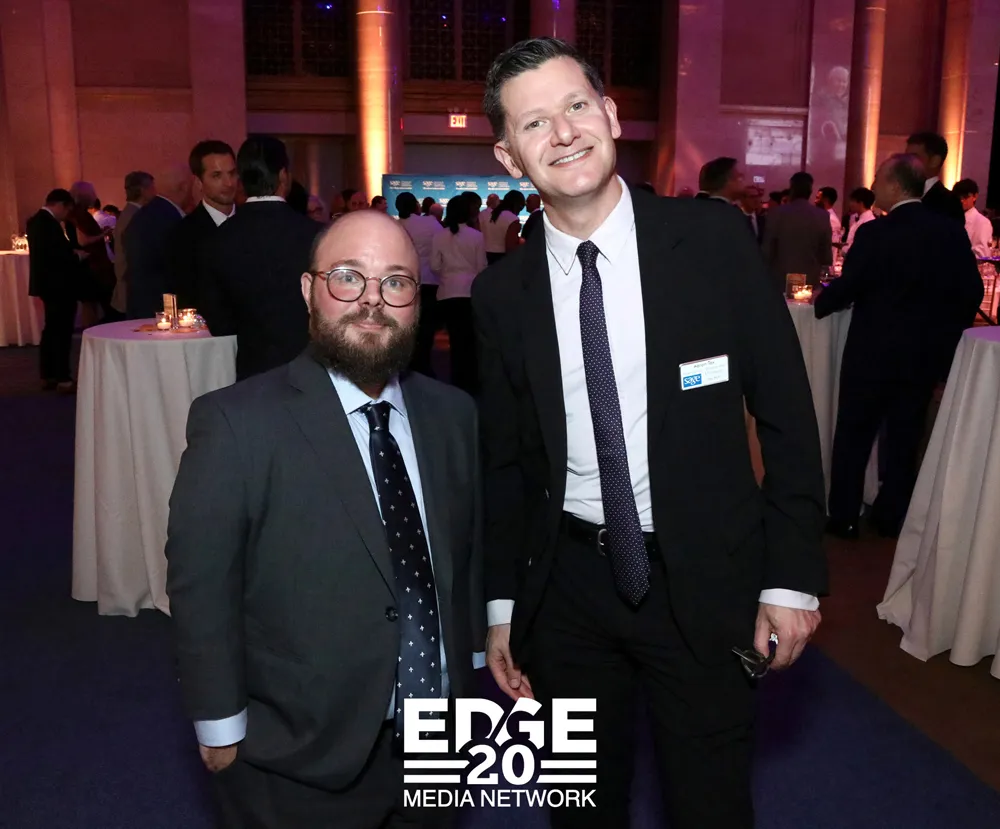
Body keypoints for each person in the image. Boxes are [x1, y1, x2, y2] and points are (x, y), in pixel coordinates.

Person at [473, 37, 826, 829]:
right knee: (581, 809)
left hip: (704, 577)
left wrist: (790, 577)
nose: (563, 132)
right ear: (509, 156)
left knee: (710, 807)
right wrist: (501, 604)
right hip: (566, 591)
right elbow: (505, 464)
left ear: (609, 114)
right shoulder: (501, 297)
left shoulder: (712, 241)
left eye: (576, 106)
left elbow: (787, 414)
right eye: (535, 123)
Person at [166, 208, 483, 829]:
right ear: (309, 290)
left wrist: (469, 660)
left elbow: (461, 549)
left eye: (396, 282)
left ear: (418, 301)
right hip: (298, 754)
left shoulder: (453, 414)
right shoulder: (236, 422)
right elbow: (202, 584)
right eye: (348, 277)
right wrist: (219, 722)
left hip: (439, 740)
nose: (372, 300)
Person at [815, 154, 983, 539]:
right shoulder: (949, 231)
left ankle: (844, 517)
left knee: (855, 435)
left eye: (878, 178)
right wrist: (943, 335)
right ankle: (891, 517)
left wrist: (821, 304)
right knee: (905, 439)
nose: (873, 185)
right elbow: (971, 291)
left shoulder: (876, 233)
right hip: (922, 355)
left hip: (871, 352)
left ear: (895, 185)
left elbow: (850, 285)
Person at [199, 136, 323, 380]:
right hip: (310, 368)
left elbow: (218, 323)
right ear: (284, 176)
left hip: (253, 371)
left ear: (241, 180)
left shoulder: (219, 238)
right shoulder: (316, 235)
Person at [167, 140, 237, 309]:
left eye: (232, 173)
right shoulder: (182, 235)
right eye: (217, 175)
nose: (229, 183)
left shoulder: (254, 224)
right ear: (198, 182)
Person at [27, 189, 83, 393]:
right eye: (67, 210)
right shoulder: (48, 224)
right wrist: (76, 256)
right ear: (60, 205)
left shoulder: (35, 221)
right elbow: (57, 256)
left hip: (47, 284)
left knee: (51, 330)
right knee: (61, 331)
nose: (66, 215)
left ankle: (48, 374)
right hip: (59, 285)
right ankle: (62, 377)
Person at [430, 193, 487, 393]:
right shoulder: (476, 236)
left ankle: (457, 382)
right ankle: (471, 381)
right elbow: (482, 267)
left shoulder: (439, 236)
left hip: (447, 292)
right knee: (470, 340)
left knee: (455, 340)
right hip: (470, 292)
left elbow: (434, 265)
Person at [123, 164, 193, 319]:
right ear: (184, 187)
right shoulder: (170, 219)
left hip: (141, 303)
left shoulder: (145, 214)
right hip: (164, 308)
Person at [762, 171, 833, 291]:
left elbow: (767, 252)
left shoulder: (775, 214)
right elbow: (826, 257)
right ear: (810, 191)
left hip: (779, 282)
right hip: (809, 283)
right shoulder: (822, 216)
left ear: (792, 190)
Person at [396, 191, 442, 377]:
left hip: (404, 283)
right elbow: (441, 242)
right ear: (415, 205)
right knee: (427, 327)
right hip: (429, 280)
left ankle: (409, 363)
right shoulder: (429, 223)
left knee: (406, 325)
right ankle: (424, 364)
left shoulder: (396, 226)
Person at [111, 171, 155, 315]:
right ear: (143, 190)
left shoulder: (129, 213)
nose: (155, 192)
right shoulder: (135, 216)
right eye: (152, 188)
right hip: (132, 285)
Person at [905, 132, 964, 223]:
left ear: (934, 161)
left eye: (913, 157)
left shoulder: (949, 203)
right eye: (906, 157)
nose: (906, 162)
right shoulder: (902, 194)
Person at [953, 178, 994, 258]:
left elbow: (983, 253)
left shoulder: (982, 222)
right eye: (959, 197)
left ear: (975, 196)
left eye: (965, 197)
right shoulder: (950, 218)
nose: (961, 201)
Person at [481, 190, 524, 263]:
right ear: (517, 205)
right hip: (501, 258)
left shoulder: (486, 214)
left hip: (484, 256)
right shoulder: (512, 219)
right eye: (521, 208)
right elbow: (510, 247)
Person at [840, 187, 875, 259]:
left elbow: (862, 248)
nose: (850, 204)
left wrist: (845, 249)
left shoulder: (868, 222)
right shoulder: (859, 219)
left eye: (853, 201)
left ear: (861, 203)